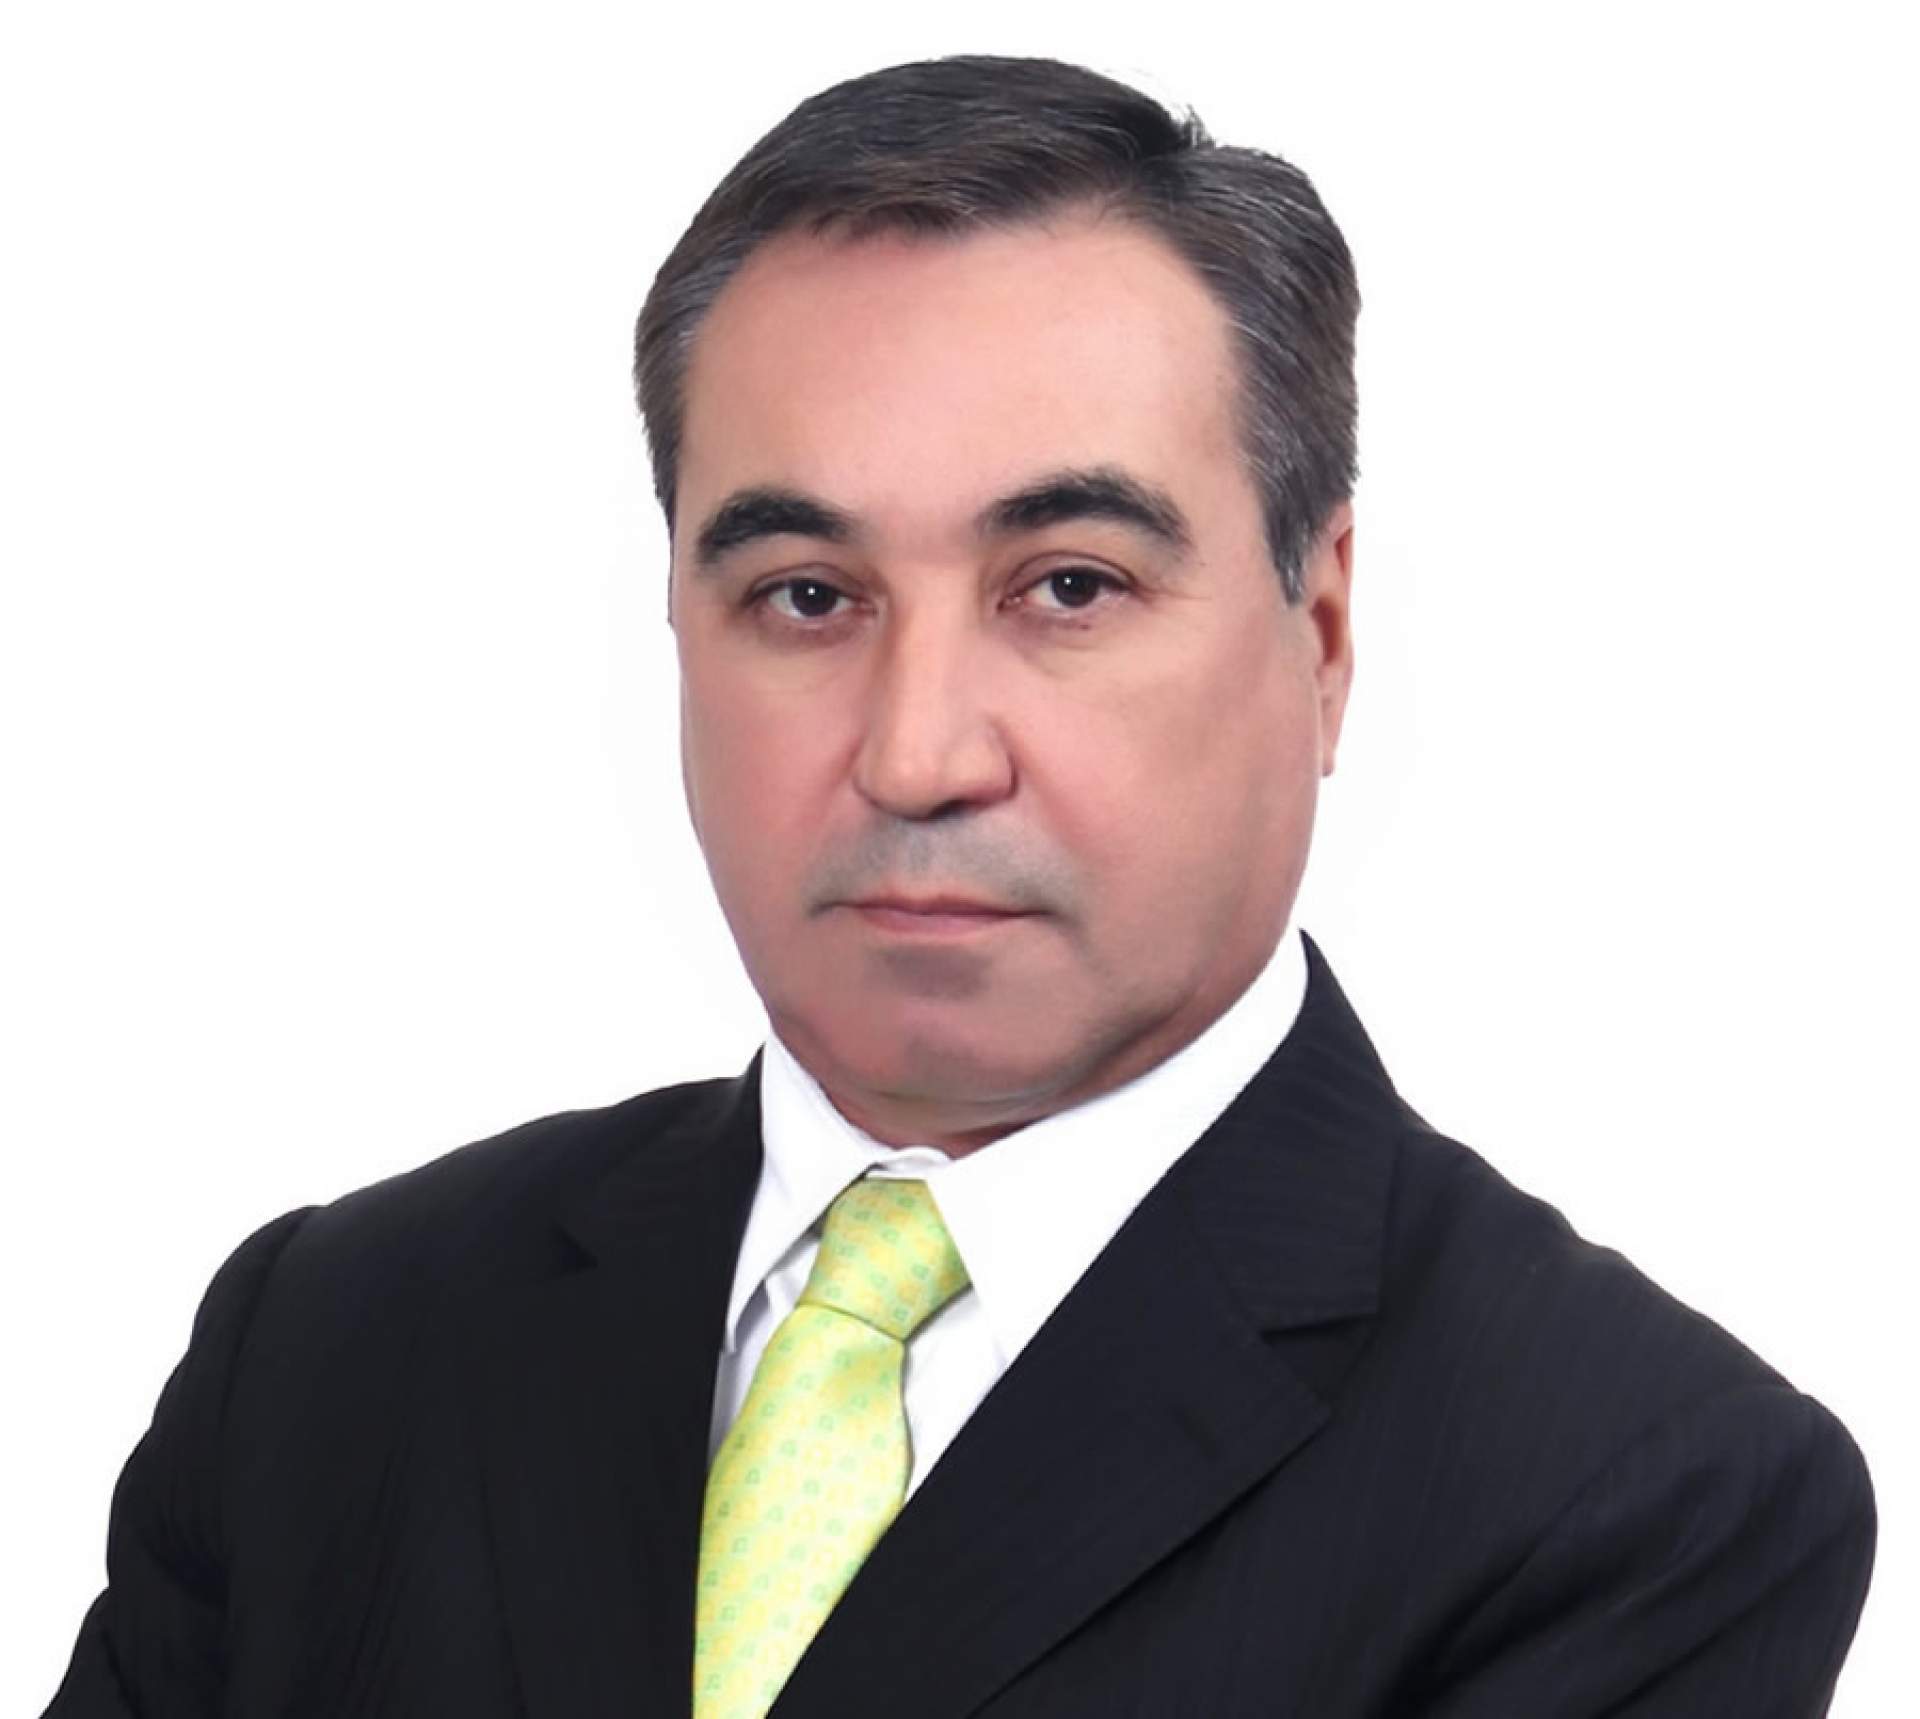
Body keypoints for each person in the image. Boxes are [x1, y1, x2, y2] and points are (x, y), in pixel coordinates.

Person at [44, 52, 1874, 1719]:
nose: (919, 753)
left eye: (1068, 585)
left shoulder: (1634, 1493)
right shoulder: (336, 1340)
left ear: (1320, 637)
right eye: (806, 598)